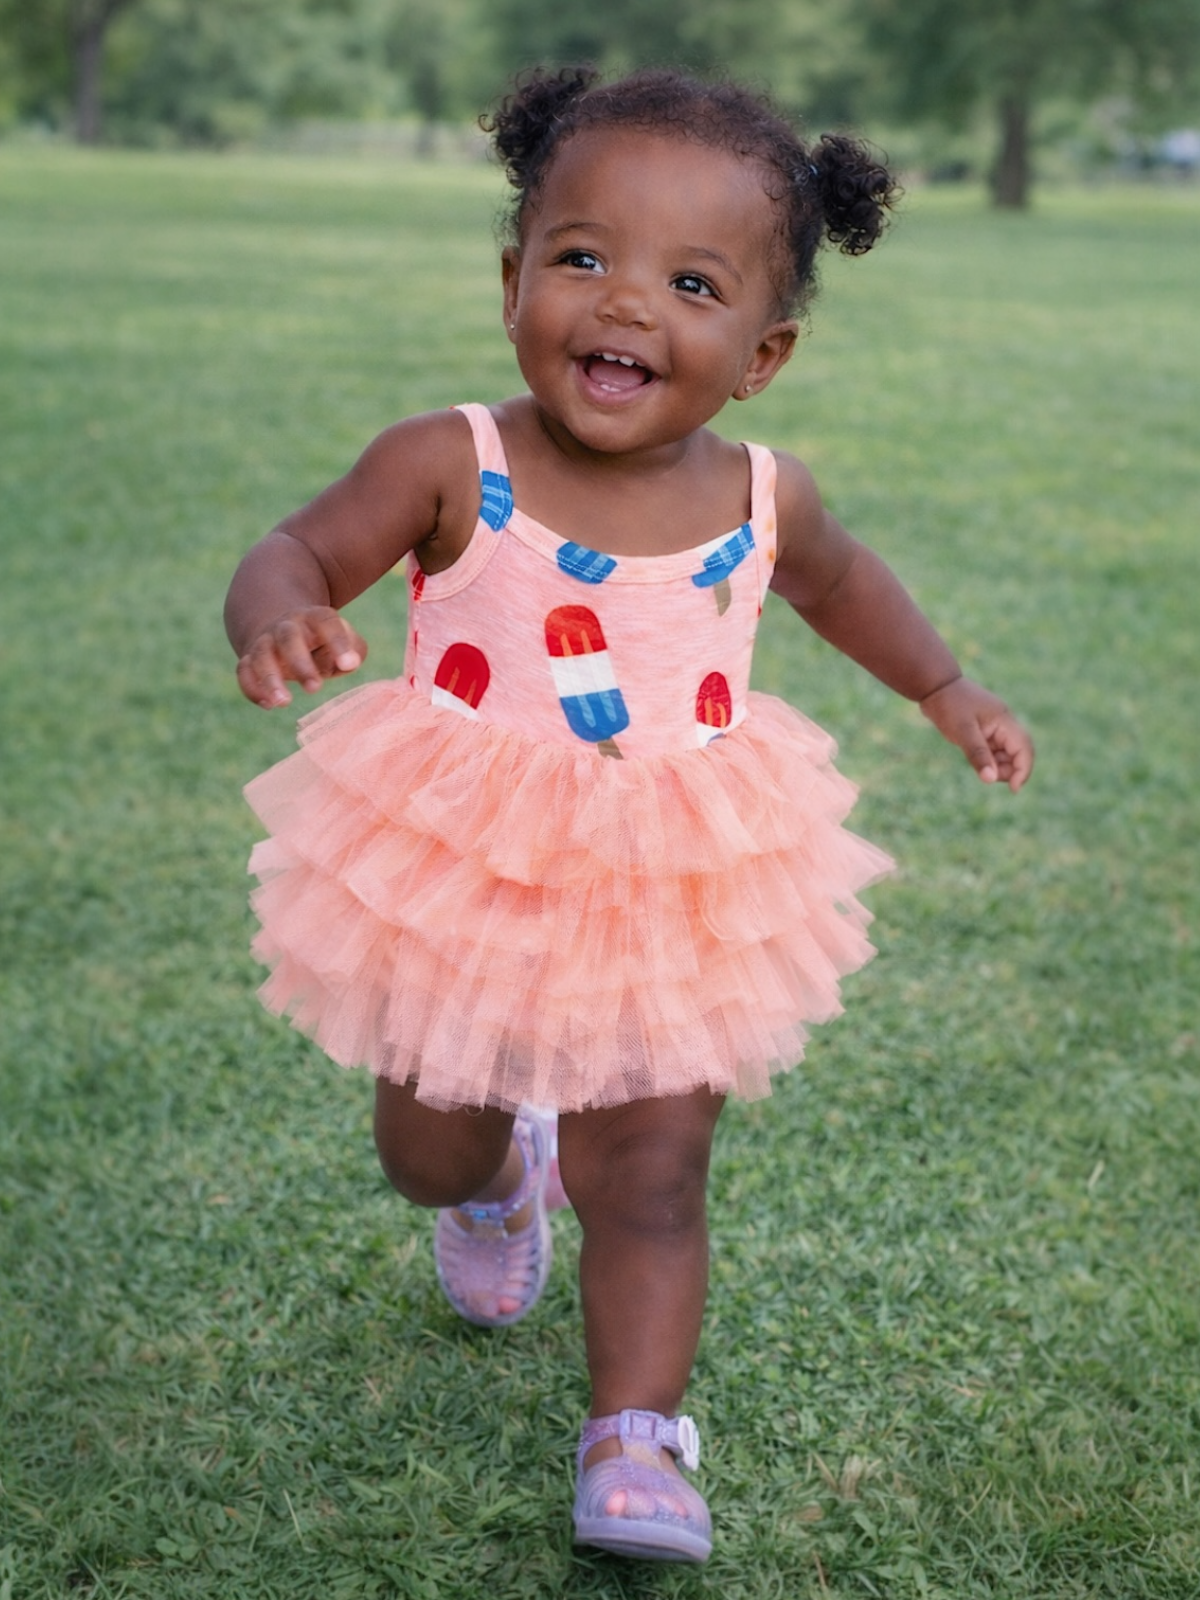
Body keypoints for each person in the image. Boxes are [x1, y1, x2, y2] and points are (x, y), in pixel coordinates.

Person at [225, 65, 1034, 1564]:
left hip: (671, 879)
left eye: (691, 282)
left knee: (653, 1172)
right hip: (467, 871)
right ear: (513, 272)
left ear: (762, 351)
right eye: (582, 256)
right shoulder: (445, 461)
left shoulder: (762, 494)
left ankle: (637, 1432)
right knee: (427, 1152)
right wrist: (277, 612)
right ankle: (498, 1187)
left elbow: (847, 591)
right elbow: (299, 545)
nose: (624, 305)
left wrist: (950, 689)